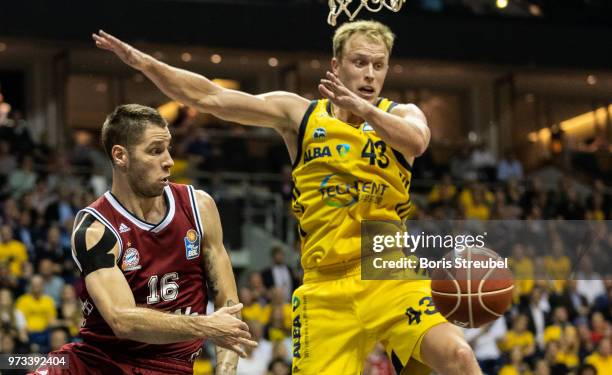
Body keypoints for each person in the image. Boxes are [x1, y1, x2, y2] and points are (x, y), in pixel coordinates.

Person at [93, 21, 481, 374]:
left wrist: (362, 109)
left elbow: (418, 141)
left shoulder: (402, 115)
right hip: (325, 286)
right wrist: (143, 63)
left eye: (378, 66)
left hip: (389, 274)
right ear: (336, 65)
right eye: (360, 62)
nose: (369, 74)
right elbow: (210, 97)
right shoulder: (300, 115)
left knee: (459, 356)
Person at [37, 104, 256, 374]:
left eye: (168, 148)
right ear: (120, 156)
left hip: (169, 367)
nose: (169, 161)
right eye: (155, 150)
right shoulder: (96, 229)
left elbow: (228, 310)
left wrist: (225, 371)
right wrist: (206, 325)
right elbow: (122, 320)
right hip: (98, 363)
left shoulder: (199, 208)